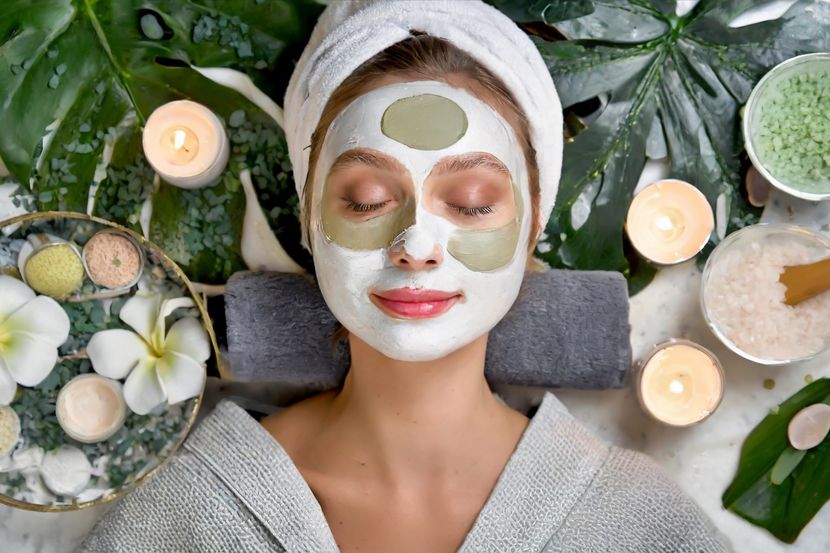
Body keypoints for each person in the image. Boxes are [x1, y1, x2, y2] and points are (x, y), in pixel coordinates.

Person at [79, 2, 733, 552]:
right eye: (367, 201)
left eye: (471, 203)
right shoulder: (181, 521)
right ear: (308, 220)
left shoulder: (636, 523)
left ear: (533, 223)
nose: (416, 245)